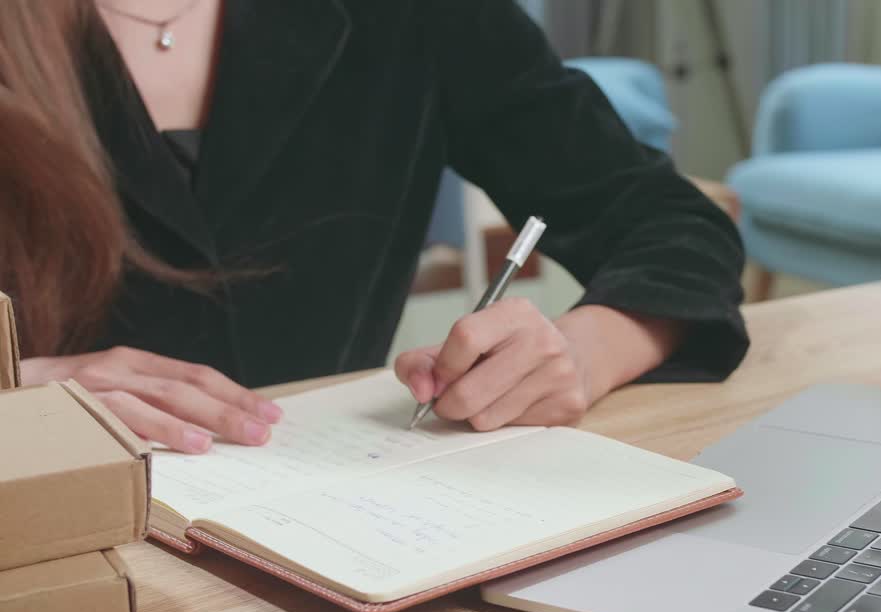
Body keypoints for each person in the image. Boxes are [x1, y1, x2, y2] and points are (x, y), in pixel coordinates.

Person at [1, 0, 748, 454]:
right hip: (53, 548)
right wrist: (15, 387)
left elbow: (665, 220)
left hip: (337, 544)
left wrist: (579, 356)